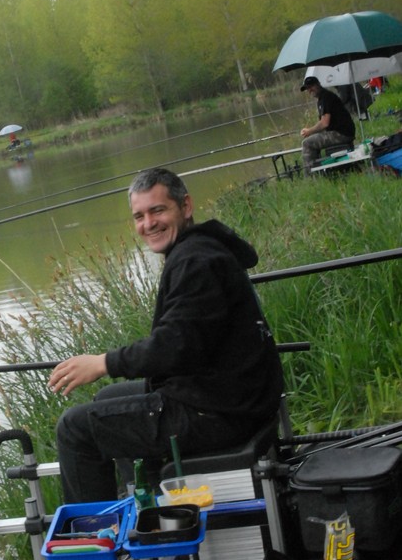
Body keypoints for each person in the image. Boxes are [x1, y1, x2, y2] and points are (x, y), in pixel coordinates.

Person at [47, 167, 284, 504]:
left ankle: (92, 539)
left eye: (158, 210)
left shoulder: (195, 262)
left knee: (74, 429)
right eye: (139, 216)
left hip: (221, 412)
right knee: (107, 400)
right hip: (225, 395)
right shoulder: (199, 248)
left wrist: (103, 362)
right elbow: (184, 344)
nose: (148, 224)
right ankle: (147, 505)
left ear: (185, 206)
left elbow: (175, 346)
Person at [299, 75, 356, 174]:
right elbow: (324, 124)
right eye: (307, 88)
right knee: (313, 140)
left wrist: (309, 131)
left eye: (311, 86)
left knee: (307, 143)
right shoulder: (323, 98)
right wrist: (312, 132)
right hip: (342, 132)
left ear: (318, 84)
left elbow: (324, 123)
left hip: (342, 134)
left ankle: (310, 176)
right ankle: (320, 171)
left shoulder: (326, 97)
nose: (309, 90)